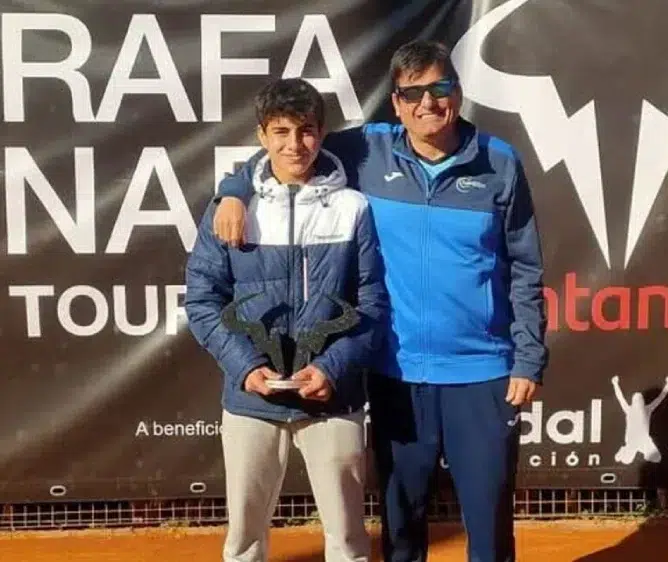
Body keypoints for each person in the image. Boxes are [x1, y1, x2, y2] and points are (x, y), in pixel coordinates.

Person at [211, 40, 548, 562]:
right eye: (412, 94)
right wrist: (232, 190)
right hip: (397, 374)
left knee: (489, 532)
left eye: (439, 89)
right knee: (402, 532)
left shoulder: (500, 163)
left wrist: (527, 357)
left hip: (482, 375)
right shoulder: (369, 149)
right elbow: (288, 147)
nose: (427, 104)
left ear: (457, 93)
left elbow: (526, 268)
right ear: (396, 103)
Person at [185, 77, 388, 562]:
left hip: (332, 399)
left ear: (321, 133)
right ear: (262, 136)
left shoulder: (353, 208)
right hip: (251, 399)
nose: (295, 144)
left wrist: (333, 368)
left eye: (306, 130)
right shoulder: (229, 210)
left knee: (347, 541)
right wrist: (246, 368)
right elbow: (202, 301)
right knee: (245, 542)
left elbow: (373, 305)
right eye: (281, 132)